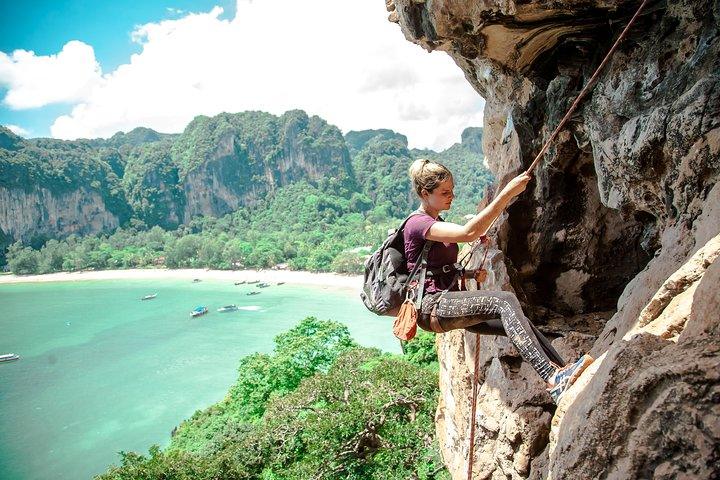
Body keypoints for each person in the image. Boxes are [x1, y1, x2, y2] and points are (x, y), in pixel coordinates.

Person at [404, 158, 593, 403]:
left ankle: (560, 372)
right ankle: (552, 377)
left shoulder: (437, 224)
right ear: (424, 193)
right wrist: (506, 194)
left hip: (445, 303)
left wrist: (469, 274)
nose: (451, 196)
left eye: (452, 190)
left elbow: (437, 268)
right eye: (445, 192)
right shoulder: (417, 223)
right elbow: (467, 233)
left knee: (518, 322)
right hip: (432, 307)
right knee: (504, 301)